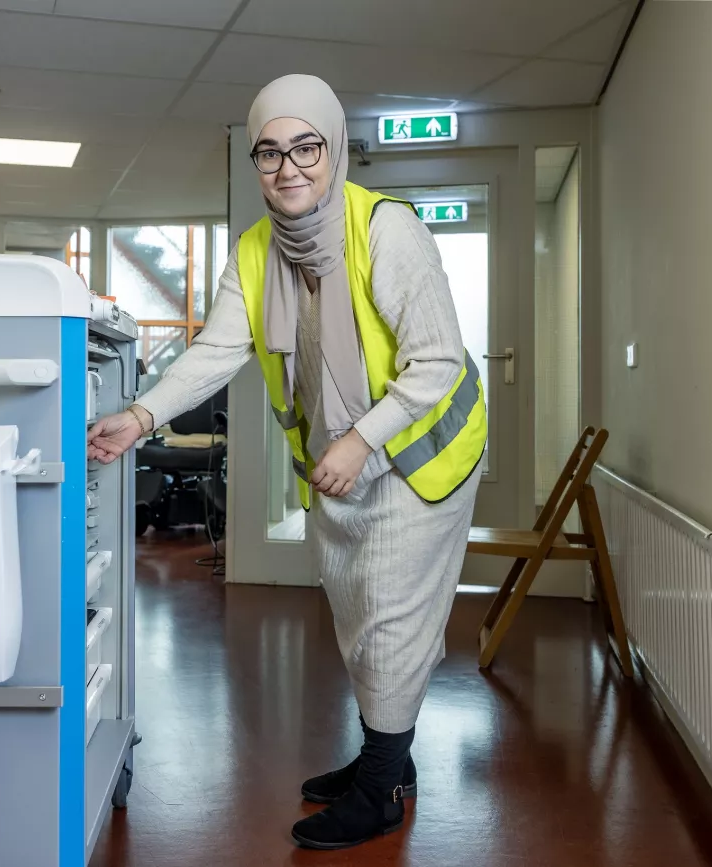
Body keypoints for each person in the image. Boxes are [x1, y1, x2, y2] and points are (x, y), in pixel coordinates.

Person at [87, 73, 486, 850]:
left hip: (421, 452)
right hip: (337, 461)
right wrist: (139, 415)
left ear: (334, 149)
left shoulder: (386, 230)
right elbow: (217, 350)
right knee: (357, 610)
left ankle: (379, 789)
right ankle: (388, 758)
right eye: (269, 152)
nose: (287, 167)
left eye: (306, 147)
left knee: (392, 620)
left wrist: (362, 439)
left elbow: (435, 361)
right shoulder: (257, 248)